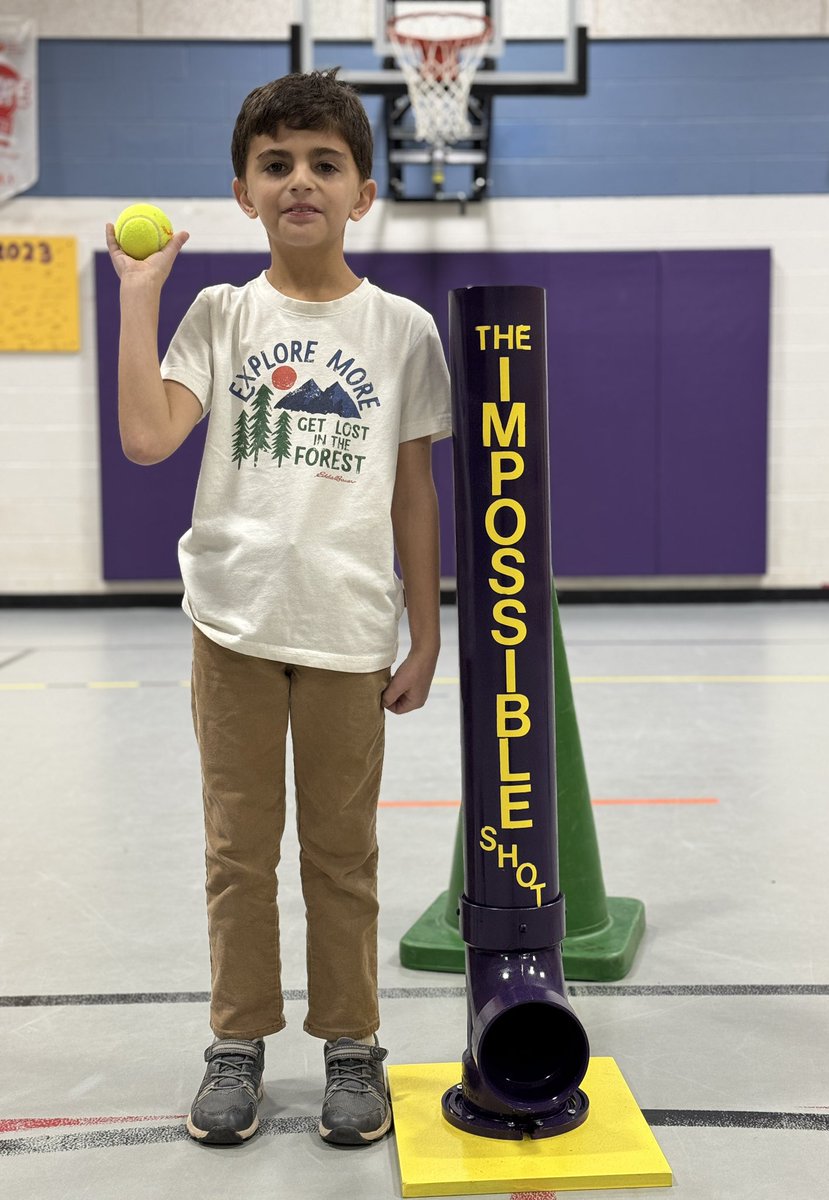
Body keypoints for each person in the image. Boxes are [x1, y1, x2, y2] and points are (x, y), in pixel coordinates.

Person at [105, 69, 451, 1149]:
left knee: (343, 854)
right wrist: (139, 295)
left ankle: (352, 1044)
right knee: (237, 851)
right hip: (235, 622)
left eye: (324, 163)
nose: (301, 179)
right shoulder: (220, 314)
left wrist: (427, 632)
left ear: (363, 194)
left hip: (350, 628)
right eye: (276, 164)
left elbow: (413, 492)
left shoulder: (403, 330)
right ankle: (237, 1044)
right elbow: (148, 439)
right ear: (244, 193)